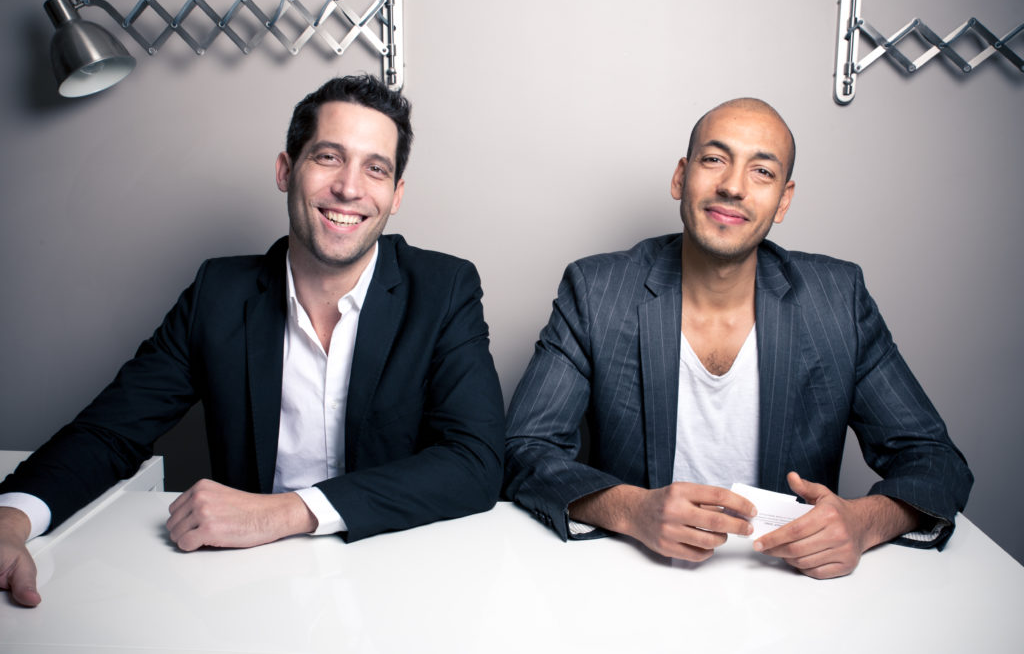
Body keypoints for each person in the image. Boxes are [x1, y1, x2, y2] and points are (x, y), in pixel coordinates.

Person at [0, 75, 505, 607]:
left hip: (400, 581)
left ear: (396, 195)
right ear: (286, 170)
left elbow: (474, 462)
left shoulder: (443, 289)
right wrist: (10, 521)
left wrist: (287, 512)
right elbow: (111, 433)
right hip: (252, 589)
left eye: (375, 169)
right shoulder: (218, 293)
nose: (350, 188)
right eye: (328, 157)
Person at [503, 97, 972, 579]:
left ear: (783, 200)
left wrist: (862, 522)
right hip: (636, 578)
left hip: (787, 583)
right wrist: (631, 510)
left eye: (762, 172)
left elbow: (935, 460)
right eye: (714, 159)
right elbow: (525, 446)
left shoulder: (837, 300)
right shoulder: (598, 291)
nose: (733, 186)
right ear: (680, 177)